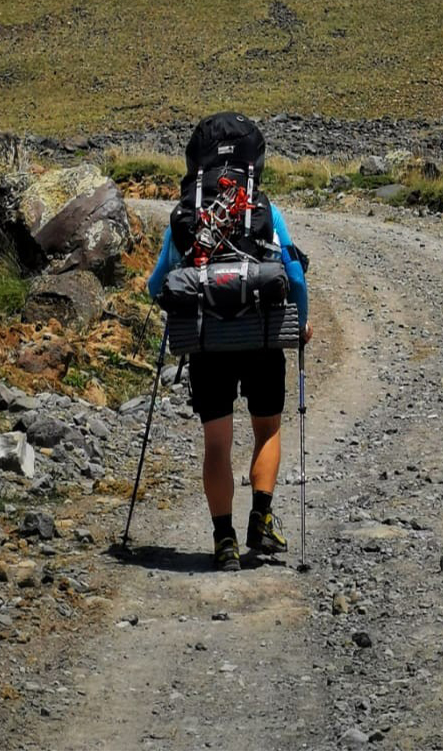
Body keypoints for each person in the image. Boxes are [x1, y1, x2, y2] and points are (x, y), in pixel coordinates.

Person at [148, 116, 311, 572]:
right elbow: (294, 275)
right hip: (261, 336)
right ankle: (261, 516)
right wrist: (301, 325)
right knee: (269, 431)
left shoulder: (186, 215)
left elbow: (156, 285)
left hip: (205, 341)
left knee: (216, 444)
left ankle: (224, 541)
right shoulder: (263, 210)